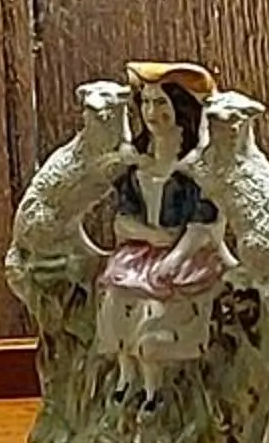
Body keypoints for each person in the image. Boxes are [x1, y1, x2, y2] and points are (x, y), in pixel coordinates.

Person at [95, 64, 231, 398]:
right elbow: (122, 219)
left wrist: (174, 255)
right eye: (147, 103)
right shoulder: (138, 163)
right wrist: (148, 235)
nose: (152, 113)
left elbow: (205, 224)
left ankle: (157, 390)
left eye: (161, 104)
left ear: (181, 109)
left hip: (187, 254)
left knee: (154, 309)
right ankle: (127, 378)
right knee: (115, 294)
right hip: (144, 252)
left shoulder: (194, 168)